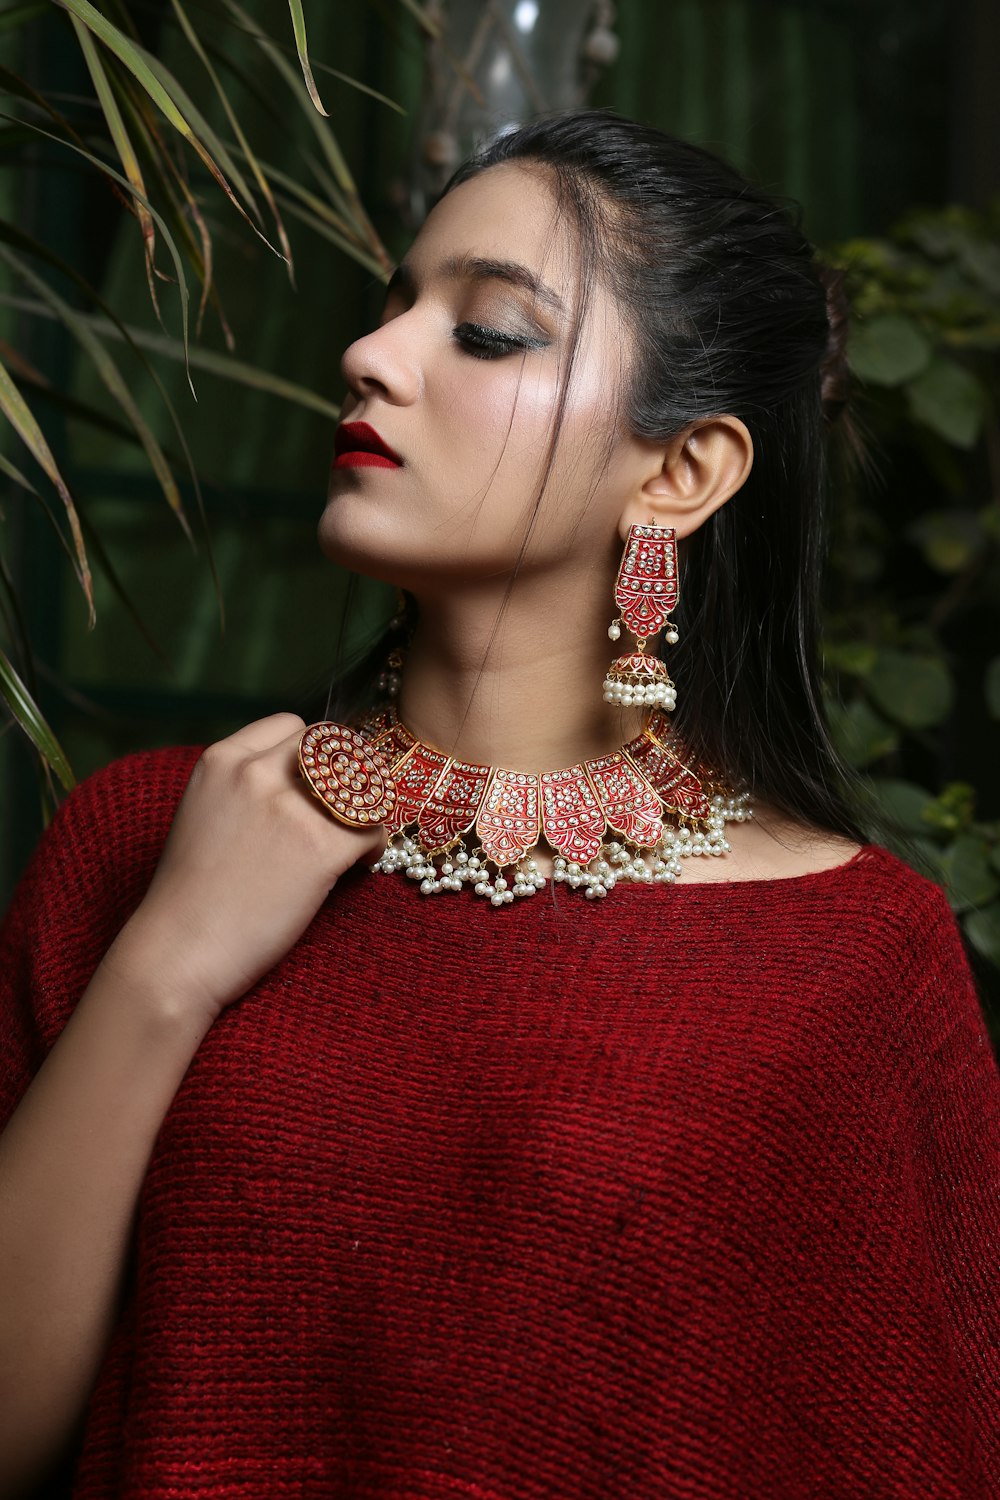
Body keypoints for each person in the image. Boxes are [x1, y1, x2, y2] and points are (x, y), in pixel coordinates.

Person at [1, 107, 998, 1499]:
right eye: (395, 305)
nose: (367, 354)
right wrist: (170, 965)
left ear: (681, 471)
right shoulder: (147, 837)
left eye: (485, 332)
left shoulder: (853, 965)